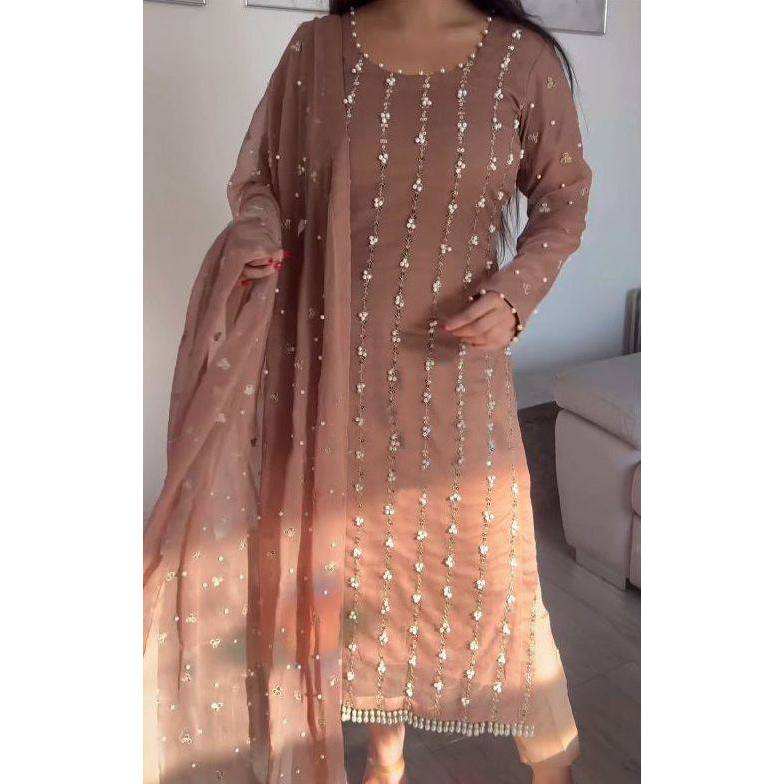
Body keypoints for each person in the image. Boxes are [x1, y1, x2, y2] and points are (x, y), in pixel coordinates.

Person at [143, 2, 591, 783]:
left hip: (457, 393)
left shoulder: (523, 61)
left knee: (501, 598)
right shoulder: (316, 50)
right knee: (360, 592)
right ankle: (386, 767)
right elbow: (260, 182)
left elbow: (564, 199)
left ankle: (552, 765)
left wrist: (517, 292)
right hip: (328, 387)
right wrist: (256, 235)